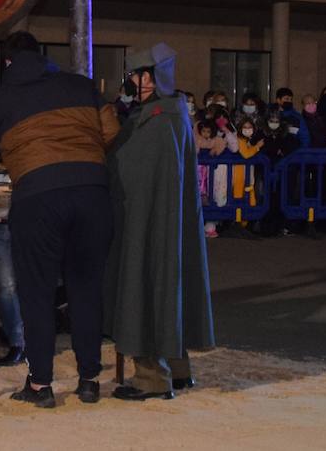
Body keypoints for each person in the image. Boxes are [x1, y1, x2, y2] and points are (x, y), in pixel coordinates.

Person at [0, 30, 118, 408]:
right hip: (92, 194)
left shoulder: (2, 98)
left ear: (7, 63)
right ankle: (89, 381)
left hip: (38, 198)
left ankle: (41, 385)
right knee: (86, 288)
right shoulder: (82, 85)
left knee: (36, 292)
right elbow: (112, 130)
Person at [105, 43, 215, 401]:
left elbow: (129, 166)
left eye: (143, 74)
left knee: (148, 286)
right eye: (136, 75)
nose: (138, 81)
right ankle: (179, 370)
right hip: (167, 222)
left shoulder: (158, 118)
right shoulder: (171, 112)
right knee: (170, 286)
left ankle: (152, 377)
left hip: (150, 223)